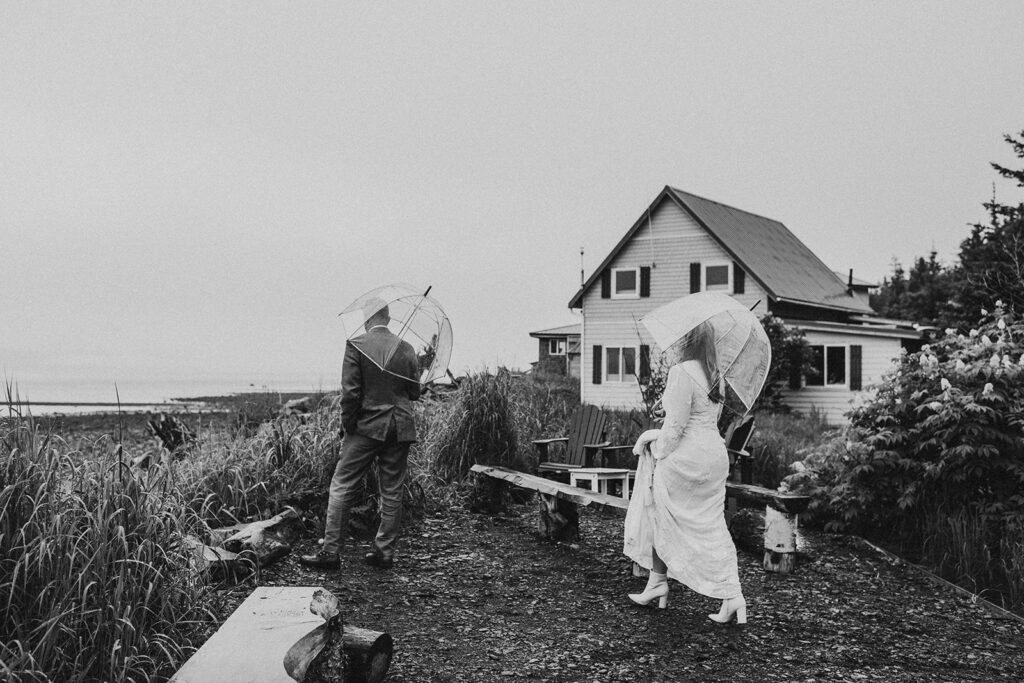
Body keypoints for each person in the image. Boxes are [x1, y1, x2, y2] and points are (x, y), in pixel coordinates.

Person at [622, 320, 747, 624]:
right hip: (714, 457)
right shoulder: (716, 375)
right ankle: (733, 596)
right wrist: (669, 411)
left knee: (660, 513)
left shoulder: (681, 371)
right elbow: (700, 415)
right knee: (711, 525)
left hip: (687, 457)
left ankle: (658, 582)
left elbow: (677, 428)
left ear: (687, 339)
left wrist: (657, 447)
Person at [300, 300, 421, 571]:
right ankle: (385, 553)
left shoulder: (356, 345)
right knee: (392, 491)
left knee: (342, 485)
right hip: (400, 427)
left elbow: (350, 393)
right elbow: (414, 393)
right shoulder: (407, 348)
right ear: (388, 319)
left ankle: (331, 552)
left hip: (366, 427)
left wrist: (348, 425)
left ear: (367, 319)